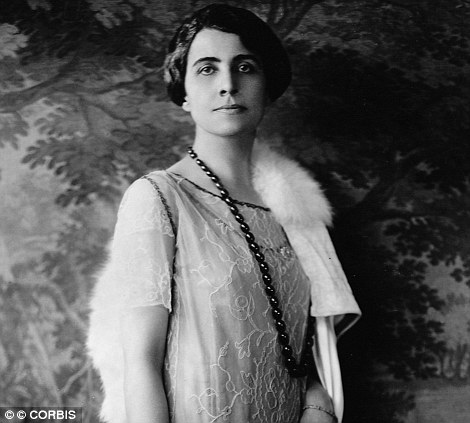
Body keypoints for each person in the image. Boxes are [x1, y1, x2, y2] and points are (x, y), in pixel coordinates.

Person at [87, 4, 361, 423]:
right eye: (207, 69)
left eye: (245, 67)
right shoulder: (160, 198)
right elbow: (138, 363)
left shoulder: (296, 210)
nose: (228, 85)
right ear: (183, 92)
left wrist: (317, 405)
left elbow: (309, 350)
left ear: (268, 87)